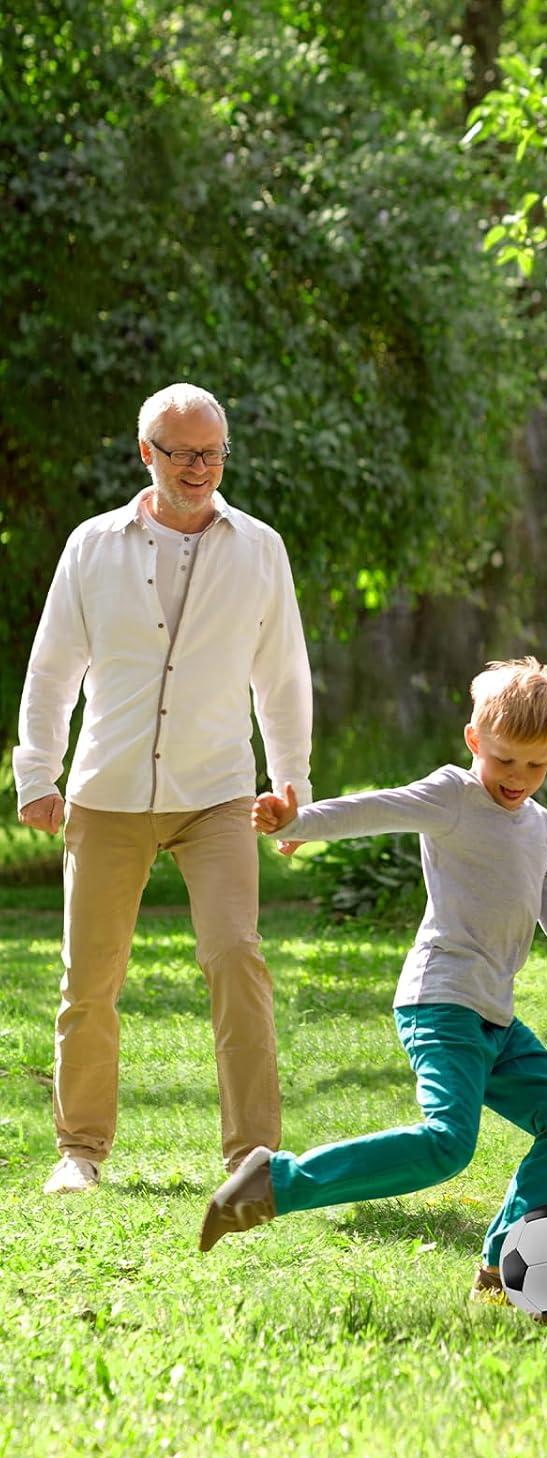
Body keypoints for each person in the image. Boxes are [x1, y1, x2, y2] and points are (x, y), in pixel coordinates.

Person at [199, 658, 547, 1298]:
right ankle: (275, 1182)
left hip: (496, 1022)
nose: (519, 779)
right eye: (506, 760)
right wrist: (296, 823)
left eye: (537, 765)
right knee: (447, 1146)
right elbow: (376, 810)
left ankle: (501, 1262)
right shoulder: (453, 795)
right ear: (475, 740)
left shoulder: (540, 827)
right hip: (440, 1004)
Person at [14, 382, 312, 1195]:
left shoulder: (260, 548)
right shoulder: (93, 546)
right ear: (146, 453)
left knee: (236, 959)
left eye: (213, 452)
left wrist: (293, 785)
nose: (199, 468)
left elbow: (282, 678)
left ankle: (252, 1156)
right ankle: (80, 1151)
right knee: (89, 979)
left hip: (216, 790)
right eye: (182, 453)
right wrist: (37, 772)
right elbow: (51, 672)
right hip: (107, 792)